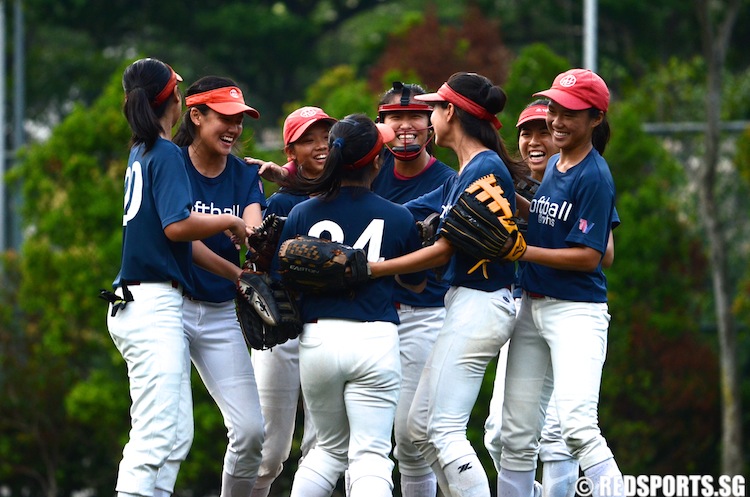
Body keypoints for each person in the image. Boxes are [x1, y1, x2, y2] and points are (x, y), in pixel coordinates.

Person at [368, 72, 528, 497]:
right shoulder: (470, 169)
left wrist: (372, 269)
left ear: (451, 112)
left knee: (443, 430)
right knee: (419, 429)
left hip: (482, 304)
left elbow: (442, 250)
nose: (429, 117)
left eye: (433, 108)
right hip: (467, 304)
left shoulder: (485, 168)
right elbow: (406, 211)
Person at [106, 58, 248, 497]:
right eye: (177, 87)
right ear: (169, 99)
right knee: (157, 434)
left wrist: (235, 273)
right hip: (151, 302)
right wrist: (229, 219)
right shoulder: (164, 152)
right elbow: (177, 227)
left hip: (141, 301)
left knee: (173, 434)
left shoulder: (143, 148)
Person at [275, 114, 426, 497]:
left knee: (325, 451)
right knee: (371, 455)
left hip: (318, 339)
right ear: (378, 162)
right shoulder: (398, 216)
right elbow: (416, 282)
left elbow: (284, 278)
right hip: (374, 336)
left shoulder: (302, 213)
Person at [496, 68, 623, 497]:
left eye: (570, 111)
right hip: (532, 306)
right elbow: (547, 218)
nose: (557, 119)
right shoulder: (554, 164)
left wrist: (522, 251)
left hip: (575, 312)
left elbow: (591, 257)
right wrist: (501, 199)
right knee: (514, 435)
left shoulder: (594, 176)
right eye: (553, 106)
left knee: (578, 428)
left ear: (595, 118)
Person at [171, 76, 267, 497]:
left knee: (251, 433)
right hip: (169, 307)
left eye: (240, 120)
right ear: (195, 115)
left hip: (220, 312)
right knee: (169, 431)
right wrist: (237, 274)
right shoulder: (169, 164)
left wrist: (253, 236)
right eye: (224, 118)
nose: (234, 128)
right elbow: (182, 240)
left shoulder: (243, 174)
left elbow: (252, 224)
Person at [244, 106, 337, 497]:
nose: (320, 146)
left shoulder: (352, 191)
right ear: (290, 151)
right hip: (282, 331)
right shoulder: (280, 203)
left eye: (326, 137)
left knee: (321, 450)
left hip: (330, 330)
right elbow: (257, 272)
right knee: (269, 452)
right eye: (308, 139)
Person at [371, 81, 457, 497]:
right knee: (362, 442)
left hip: (425, 312)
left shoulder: (449, 179)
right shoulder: (368, 171)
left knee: (411, 435)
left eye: (415, 116)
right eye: (394, 117)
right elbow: (323, 182)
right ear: (380, 125)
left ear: (432, 121)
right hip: (370, 315)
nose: (405, 125)